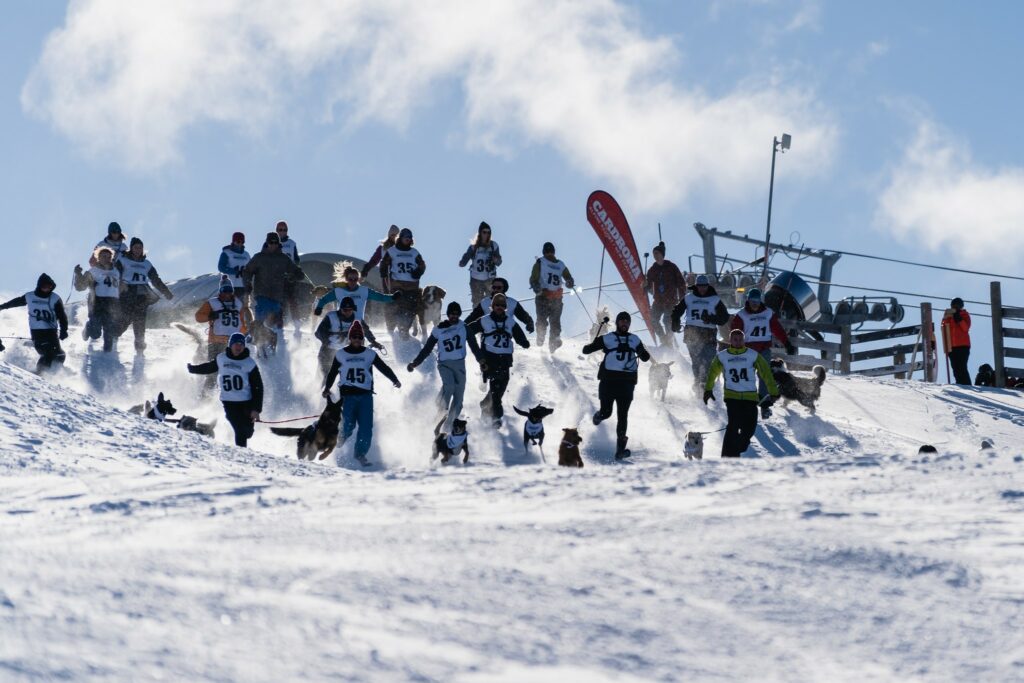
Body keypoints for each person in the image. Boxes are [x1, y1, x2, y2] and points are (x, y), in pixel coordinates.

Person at [323, 320, 402, 466]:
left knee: (366, 428)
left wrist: (394, 379)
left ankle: (360, 454)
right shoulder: (341, 354)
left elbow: (383, 367)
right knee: (348, 426)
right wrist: (327, 388)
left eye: (360, 337)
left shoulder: (369, 354)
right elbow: (333, 372)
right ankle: (336, 442)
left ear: (363, 339)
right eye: (354, 337)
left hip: (366, 396)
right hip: (348, 396)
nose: (357, 340)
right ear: (350, 338)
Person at [583, 311, 651, 459]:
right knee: (607, 412)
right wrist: (592, 344)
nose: (624, 323)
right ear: (617, 322)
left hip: (627, 382)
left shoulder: (634, 339)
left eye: (627, 321)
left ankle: (620, 449)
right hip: (608, 380)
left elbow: (644, 356)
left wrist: (643, 353)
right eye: (622, 321)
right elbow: (586, 350)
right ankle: (599, 416)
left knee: (623, 415)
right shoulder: (608, 338)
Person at [703, 328, 779, 457]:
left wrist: (773, 392)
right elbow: (712, 373)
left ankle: (737, 448)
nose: (737, 342)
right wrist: (708, 390)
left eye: (740, 339)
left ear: (744, 340)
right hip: (732, 397)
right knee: (733, 425)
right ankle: (727, 457)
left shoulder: (752, 355)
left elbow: (766, 373)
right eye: (735, 339)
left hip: (750, 397)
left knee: (750, 427)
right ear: (730, 340)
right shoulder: (722, 356)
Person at [408, 301, 480, 432]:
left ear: (459, 314)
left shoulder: (464, 327)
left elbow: (474, 345)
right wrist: (416, 362)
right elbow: (428, 348)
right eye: (451, 314)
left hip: (459, 365)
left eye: (456, 314)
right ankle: (440, 409)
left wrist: (482, 361)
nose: (454, 316)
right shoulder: (439, 329)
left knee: (459, 398)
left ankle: (448, 426)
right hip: (444, 364)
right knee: (449, 385)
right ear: (447, 315)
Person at [187, 332, 263, 447]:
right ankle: (242, 453)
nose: (238, 347)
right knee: (239, 429)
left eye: (241, 345)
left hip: (246, 402)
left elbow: (258, 387)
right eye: (235, 344)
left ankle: (244, 440)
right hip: (229, 403)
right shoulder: (221, 358)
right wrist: (193, 369)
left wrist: (256, 409)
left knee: (247, 432)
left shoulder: (249, 363)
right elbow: (209, 367)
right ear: (230, 345)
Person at [729, 287, 795, 418]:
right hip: (747, 350)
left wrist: (786, 343)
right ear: (748, 301)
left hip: (764, 349)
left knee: (764, 376)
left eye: (757, 301)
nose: (755, 304)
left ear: (761, 301)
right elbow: (735, 332)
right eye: (752, 301)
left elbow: (777, 329)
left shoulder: (768, 313)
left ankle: (765, 406)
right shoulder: (742, 315)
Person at [466, 293, 530, 427]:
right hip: (490, 359)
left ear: (505, 307)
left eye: (502, 305)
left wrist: (523, 342)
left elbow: (519, 335)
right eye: (497, 305)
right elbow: (468, 330)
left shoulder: (510, 322)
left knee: (500, 389)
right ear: (492, 306)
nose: (499, 307)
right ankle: (496, 418)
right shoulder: (484, 320)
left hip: (505, 360)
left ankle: (485, 405)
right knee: (495, 390)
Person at [242, 231, 306, 350]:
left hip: (276, 296)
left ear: (279, 244)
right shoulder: (259, 257)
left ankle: (271, 344)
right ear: (267, 243)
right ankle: (257, 342)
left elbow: (296, 271)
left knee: (273, 322)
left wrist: (296, 274)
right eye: (271, 242)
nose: (273, 245)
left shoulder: (283, 258)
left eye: (276, 243)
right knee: (260, 320)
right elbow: (247, 271)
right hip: (261, 294)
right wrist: (247, 285)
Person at [671, 274, 731, 395]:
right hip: (692, 331)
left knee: (709, 359)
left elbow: (724, 317)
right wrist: (675, 322)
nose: (702, 289)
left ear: (707, 286)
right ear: (696, 286)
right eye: (700, 286)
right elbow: (676, 311)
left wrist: (711, 318)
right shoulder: (688, 298)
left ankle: (703, 381)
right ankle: (698, 381)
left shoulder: (714, 299)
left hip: (708, 332)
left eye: (704, 286)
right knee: (697, 360)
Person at [0, 273, 69, 374]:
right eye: (44, 286)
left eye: (49, 286)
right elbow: (16, 302)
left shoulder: (55, 298)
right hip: (37, 331)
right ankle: (40, 375)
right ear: (39, 286)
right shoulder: (30, 296)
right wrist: (2, 307)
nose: (47, 289)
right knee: (48, 353)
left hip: (51, 331)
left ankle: (55, 374)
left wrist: (64, 330)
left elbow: (62, 316)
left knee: (60, 355)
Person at [194, 277, 253, 392]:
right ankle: (205, 397)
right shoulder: (212, 302)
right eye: (224, 290)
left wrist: (245, 335)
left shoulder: (238, 304)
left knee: (234, 370)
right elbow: (198, 316)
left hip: (232, 344)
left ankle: (231, 395)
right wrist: (210, 316)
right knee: (214, 371)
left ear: (232, 290)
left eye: (229, 290)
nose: (227, 293)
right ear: (220, 291)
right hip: (215, 342)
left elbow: (241, 323)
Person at [116, 237, 174, 352]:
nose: (138, 250)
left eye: (140, 248)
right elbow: (115, 274)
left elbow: (155, 279)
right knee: (125, 319)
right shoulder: (123, 260)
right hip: (127, 293)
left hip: (142, 294)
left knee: (140, 320)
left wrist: (166, 291)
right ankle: (113, 335)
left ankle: (140, 344)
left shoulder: (147, 264)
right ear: (131, 248)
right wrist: (119, 284)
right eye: (136, 247)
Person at [314, 296, 383, 378]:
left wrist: (374, 342)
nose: (347, 312)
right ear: (340, 309)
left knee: (348, 376)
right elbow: (318, 333)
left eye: (350, 310)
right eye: (345, 310)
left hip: (347, 352)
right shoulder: (331, 316)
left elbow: (366, 331)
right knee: (323, 376)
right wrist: (327, 341)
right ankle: (317, 389)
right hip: (328, 350)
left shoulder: (357, 319)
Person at [528, 242, 575, 352]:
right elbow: (533, 277)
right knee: (542, 320)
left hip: (556, 299)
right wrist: (535, 285)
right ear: (544, 253)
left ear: (553, 252)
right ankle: (541, 335)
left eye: (550, 252)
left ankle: (553, 343)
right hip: (543, 296)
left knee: (555, 321)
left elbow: (568, 276)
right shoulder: (540, 262)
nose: (549, 254)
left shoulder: (560, 264)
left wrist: (569, 281)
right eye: (547, 252)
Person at [379, 227, 426, 337]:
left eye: (409, 238)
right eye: (406, 237)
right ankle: (392, 329)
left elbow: (422, 265)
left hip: (412, 286)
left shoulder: (414, 252)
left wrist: (418, 272)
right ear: (400, 238)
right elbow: (384, 264)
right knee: (395, 307)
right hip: (397, 285)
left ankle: (404, 329)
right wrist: (384, 274)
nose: (408, 240)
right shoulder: (392, 251)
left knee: (411, 309)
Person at [74, 247, 122, 352]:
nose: (106, 259)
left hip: (112, 303)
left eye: (109, 257)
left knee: (109, 331)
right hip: (97, 303)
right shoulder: (93, 271)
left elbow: (121, 286)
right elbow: (80, 287)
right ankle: (88, 328)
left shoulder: (116, 271)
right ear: (98, 258)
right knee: (95, 334)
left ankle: (108, 355)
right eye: (103, 256)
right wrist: (78, 274)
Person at [314, 261, 395, 321]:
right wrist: (319, 308)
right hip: (342, 324)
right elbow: (324, 300)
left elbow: (381, 297)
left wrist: (393, 297)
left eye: (355, 279)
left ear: (358, 279)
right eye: (350, 279)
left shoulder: (364, 291)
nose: (353, 281)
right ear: (346, 279)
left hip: (358, 326)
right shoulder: (339, 291)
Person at [644, 241, 687, 346]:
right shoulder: (652, 270)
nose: (655, 256)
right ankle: (664, 340)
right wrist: (644, 286)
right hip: (658, 301)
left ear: (662, 254)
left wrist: (682, 299)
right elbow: (649, 285)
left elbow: (681, 283)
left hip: (671, 301)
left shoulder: (671, 267)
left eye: (657, 253)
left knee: (667, 321)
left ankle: (669, 342)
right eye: (654, 254)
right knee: (652, 319)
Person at [465, 277, 535, 332]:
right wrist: (462, 326)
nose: (496, 290)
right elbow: (472, 317)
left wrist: (530, 324)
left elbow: (523, 316)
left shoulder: (512, 302)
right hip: (487, 339)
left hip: (505, 337)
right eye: (494, 287)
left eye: (499, 288)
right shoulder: (485, 302)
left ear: (504, 288)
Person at [458, 221, 502, 306]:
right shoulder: (473, 247)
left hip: (490, 279)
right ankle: (478, 318)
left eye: (488, 232)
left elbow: (499, 262)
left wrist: (495, 259)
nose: (486, 234)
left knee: (492, 301)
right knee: (477, 303)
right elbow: (465, 259)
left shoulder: (494, 246)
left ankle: (491, 317)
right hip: (476, 279)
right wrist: (462, 262)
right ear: (480, 233)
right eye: (484, 232)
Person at [274, 221, 304, 333]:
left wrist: (295, 270)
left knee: (293, 300)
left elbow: (296, 259)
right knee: (279, 302)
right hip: (277, 278)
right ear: (276, 231)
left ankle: (297, 322)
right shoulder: (271, 242)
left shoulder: (291, 243)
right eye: (280, 230)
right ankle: (279, 322)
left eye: (284, 230)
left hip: (290, 277)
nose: (282, 232)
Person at [943, 297, 972, 385]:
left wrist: (959, 319)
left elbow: (966, 328)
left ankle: (966, 385)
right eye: (953, 306)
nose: (955, 307)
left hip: (963, 345)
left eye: (957, 306)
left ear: (961, 306)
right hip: (951, 346)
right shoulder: (949, 316)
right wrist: (946, 318)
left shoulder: (964, 315)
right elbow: (944, 327)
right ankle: (959, 384)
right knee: (955, 367)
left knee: (962, 367)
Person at [218, 232, 251, 305]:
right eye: (238, 242)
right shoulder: (227, 253)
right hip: (230, 286)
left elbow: (251, 268)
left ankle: (244, 316)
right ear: (233, 241)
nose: (240, 244)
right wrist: (235, 271)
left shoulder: (246, 254)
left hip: (243, 285)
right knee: (231, 306)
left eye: (242, 242)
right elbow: (221, 267)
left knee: (244, 307)